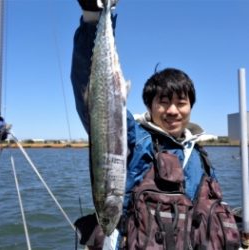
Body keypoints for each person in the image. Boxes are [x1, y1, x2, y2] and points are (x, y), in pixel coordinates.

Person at [71, 1, 238, 249]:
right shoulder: (135, 138)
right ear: (149, 106)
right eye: (163, 102)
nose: (172, 111)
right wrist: (93, 18)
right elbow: (93, 102)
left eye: (181, 102)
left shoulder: (201, 157)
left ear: (191, 106)